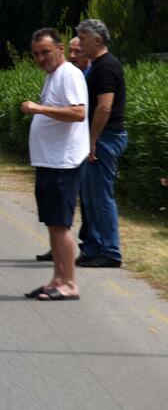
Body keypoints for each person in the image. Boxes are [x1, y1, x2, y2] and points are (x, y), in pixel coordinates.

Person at [20, 28, 89, 301]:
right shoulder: (53, 76)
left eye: (46, 52)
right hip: (50, 161)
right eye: (36, 54)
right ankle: (58, 279)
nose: (41, 58)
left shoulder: (69, 74)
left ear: (60, 49)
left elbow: (78, 112)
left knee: (60, 225)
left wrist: (39, 109)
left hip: (63, 162)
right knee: (53, 224)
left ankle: (70, 283)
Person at [76, 19, 127, 268]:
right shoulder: (98, 66)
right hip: (101, 138)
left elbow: (105, 106)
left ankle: (111, 251)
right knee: (91, 195)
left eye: (83, 39)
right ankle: (95, 247)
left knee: (102, 197)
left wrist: (93, 140)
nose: (80, 44)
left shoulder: (105, 67)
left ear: (97, 40)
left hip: (106, 138)